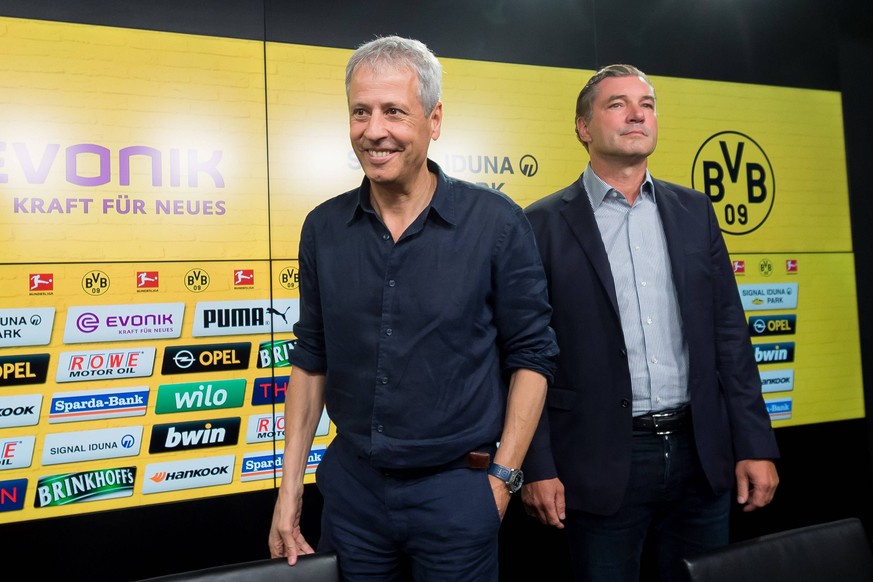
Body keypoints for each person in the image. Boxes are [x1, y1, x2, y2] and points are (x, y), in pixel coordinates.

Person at [268, 35, 558, 581]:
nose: (374, 131)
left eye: (394, 112)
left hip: (459, 494)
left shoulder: (496, 224)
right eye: (360, 112)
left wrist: (503, 482)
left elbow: (534, 358)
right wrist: (289, 493)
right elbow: (311, 359)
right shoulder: (322, 228)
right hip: (352, 497)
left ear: (435, 119)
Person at [520, 64, 780, 581]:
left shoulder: (695, 211)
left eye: (647, 103)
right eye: (617, 104)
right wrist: (538, 465)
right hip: (597, 464)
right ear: (582, 127)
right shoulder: (538, 224)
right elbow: (527, 356)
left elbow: (730, 335)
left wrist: (754, 444)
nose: (637, 113)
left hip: (701, 456)